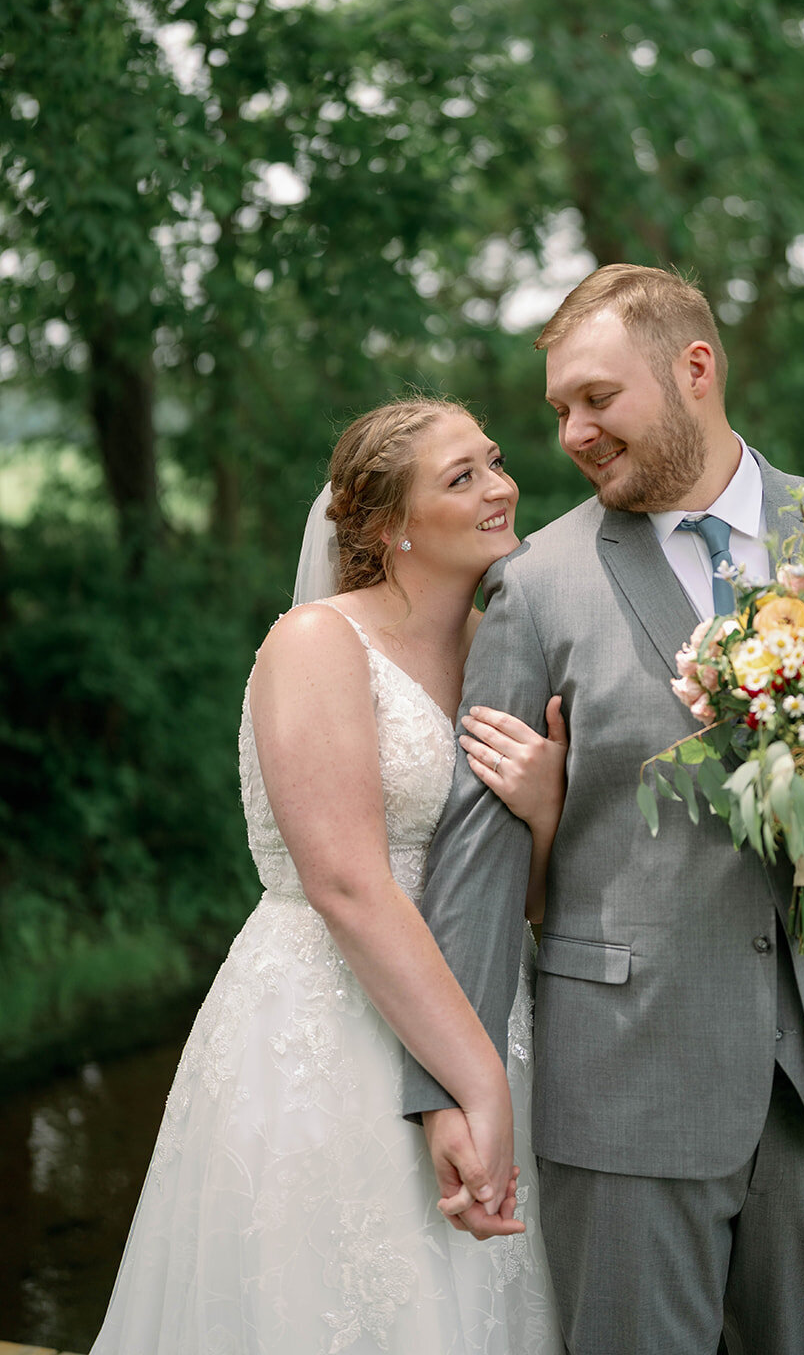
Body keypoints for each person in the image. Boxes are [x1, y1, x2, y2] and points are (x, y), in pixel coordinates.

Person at [404, 265, 804, 1355]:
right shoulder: (535, 583)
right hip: (627, 1077)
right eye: (557, 410)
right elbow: (478, 857)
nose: (572, 434)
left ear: (693, 369)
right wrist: (449, 1091)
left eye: (596, 398)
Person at [90, 398, 567, 1355]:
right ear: (388, 524)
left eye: (495, 461)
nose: (502, 487)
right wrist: (472, 1083)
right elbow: (347, 886)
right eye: (461, 476)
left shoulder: (501, 648)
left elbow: (527, 896)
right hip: (330, 1020)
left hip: (485, 1002)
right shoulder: (316, 642)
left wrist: (548, 808)